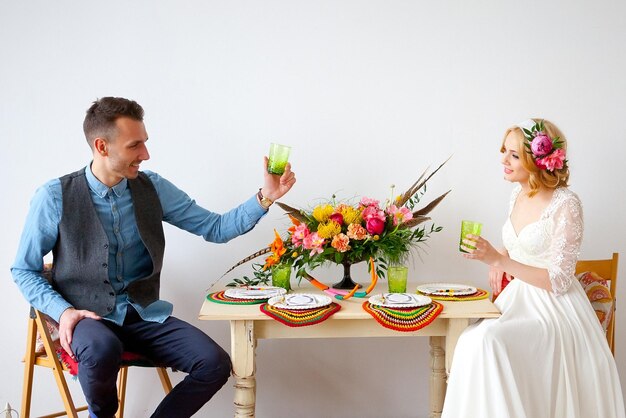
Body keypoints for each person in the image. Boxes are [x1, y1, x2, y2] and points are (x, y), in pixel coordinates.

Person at [11, 97, 296, 418]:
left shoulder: (153, 188)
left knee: (214, 364)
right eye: (135, 146)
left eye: (144, 143)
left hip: (143, 316)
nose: (145, 154)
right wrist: (62, 313)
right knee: (103, 348)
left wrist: (265, 197)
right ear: (102, 146)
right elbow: (24, 269)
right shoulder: (54, 196)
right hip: (86, 318)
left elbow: (215, 227)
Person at [442, 119, 625, 417]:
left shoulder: (567, 204)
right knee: (470, 341)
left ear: (537, 161)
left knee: (488, 341)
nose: (503, 160)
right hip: (517, 300)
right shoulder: (517, 194)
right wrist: (500, 254)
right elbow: (524, 245)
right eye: (504, 151)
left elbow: (559, 280)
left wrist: (500, 261)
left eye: (513, 155)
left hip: (555, 310)